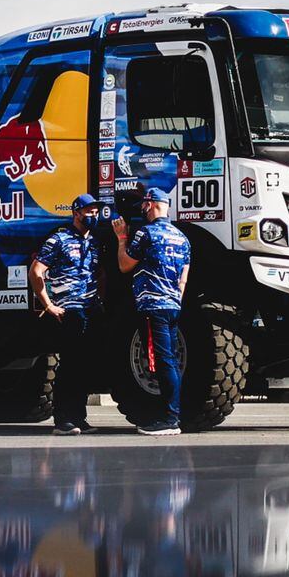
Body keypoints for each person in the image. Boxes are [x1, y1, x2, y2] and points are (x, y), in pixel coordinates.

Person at [112, 186, 193, 436]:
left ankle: (170, 418)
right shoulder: (182, 237)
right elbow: (183, 279)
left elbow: (125, 265)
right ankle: (172, 414)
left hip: (153, 305)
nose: (143, 211)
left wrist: (121, 238)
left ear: (151, 204)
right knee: (170, 359)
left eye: (144, 206)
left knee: (163, 361)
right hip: (173, 305)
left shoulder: (145, 234)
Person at [31, 194, 103, 436]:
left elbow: (100, 274)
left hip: (90, 309)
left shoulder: (94, 243)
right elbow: (36, 270)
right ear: (76, 213)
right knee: (70, 365)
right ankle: (62, 420)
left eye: (95, 211)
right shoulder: (58, 239)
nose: (93, 215)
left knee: (84, 366)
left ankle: (79, 418)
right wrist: (48, 304)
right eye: (88, 211)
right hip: (69, 310)